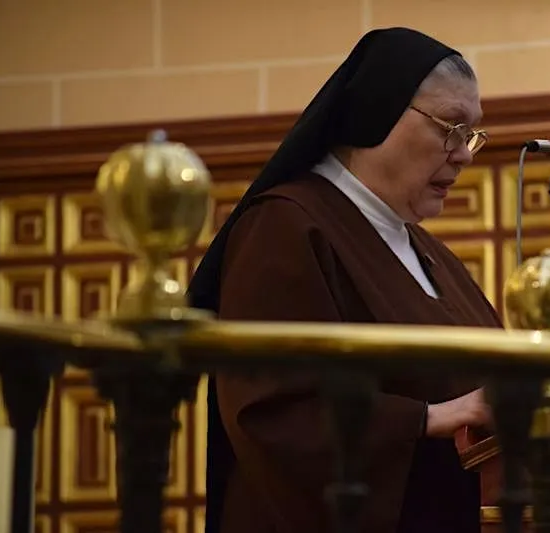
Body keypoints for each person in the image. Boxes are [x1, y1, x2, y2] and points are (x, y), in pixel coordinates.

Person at [188, 27, 503, 533]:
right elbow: (272, 412)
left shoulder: (431, 253)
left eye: (471, 135)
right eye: (450, 126)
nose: (465, 153)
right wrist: (425, 419)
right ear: (376, 112)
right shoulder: (286, 225)